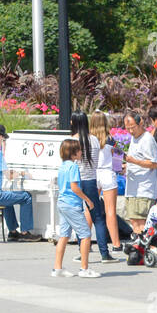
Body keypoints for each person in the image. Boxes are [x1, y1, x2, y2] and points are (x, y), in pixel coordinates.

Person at [69, 111, 115, 262]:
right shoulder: (95, 140)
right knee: (98, 218)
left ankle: (82, 250)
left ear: (74, 123)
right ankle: (104, 253)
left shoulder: (72, 140)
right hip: (90, 180)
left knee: (78, 217)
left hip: (75, 181)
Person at [51, 138, 99, 278]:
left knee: (64, 235)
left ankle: (57, 268)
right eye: (79, 150)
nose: (81, 152)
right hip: (72, 204)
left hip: (62, 202)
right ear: (73, 153)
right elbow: (74, 187)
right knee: (85, 234)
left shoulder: (63, 166)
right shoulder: (73, 167)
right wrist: (88, 200)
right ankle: (84, 269)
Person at [121, 113, 157, 235]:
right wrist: (126, 166)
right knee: (134, 221)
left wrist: (133, 161)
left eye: (133, 127)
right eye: (128, 128)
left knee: (143, 223)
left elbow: (153, 164)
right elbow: (138, 159)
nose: (131, 131)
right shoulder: (134, 138)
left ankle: (146, 250)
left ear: (140, 123)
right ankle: (140, 250)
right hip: (133, 188)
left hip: (144, 188)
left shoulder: (147, 139)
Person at [91, 113, 122, 251]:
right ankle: (116, 243)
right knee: (110, 210)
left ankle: (85, 242)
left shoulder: (88, 139)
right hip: (108, 174)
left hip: (93, 173)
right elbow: (118, 163)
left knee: (89, 208)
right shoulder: (111, 140)